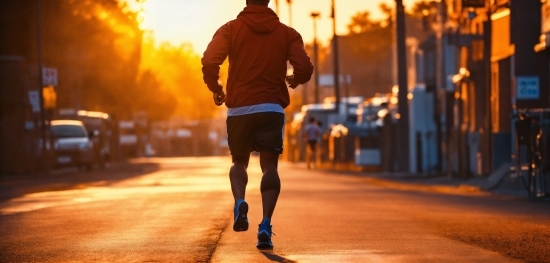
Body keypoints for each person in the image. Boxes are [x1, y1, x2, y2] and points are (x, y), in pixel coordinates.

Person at [201, 0, 313, 249]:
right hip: (271, 108)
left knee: (239, 161)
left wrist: (216, 88)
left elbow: (210, 61)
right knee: (269, 167)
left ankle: (240, 200)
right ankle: (265, 224)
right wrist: (295, 79)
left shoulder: (230, 29)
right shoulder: (287, 33)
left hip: (239, 108)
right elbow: (304, 66)